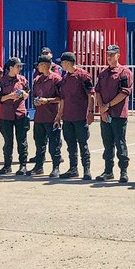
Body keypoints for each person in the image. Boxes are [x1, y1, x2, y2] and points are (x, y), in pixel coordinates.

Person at [94, 44, 132, 183]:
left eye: (112, 54)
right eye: (108, 54)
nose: (109, 57)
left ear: (118, 55)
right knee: (107, 144)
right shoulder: (103, 73)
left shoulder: (124, 72)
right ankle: (108, 171)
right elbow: (97, 91)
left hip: (118, 114)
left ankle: (123, 171)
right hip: (105, 115)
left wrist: (108, 106)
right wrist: (101, 108)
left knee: (120, 143)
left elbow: (124, 92)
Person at [56, 51, 94, 181]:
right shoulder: (65, 78)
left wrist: (90, 112)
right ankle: (73, 169)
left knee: (82, 143)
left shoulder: (83, 76)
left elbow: (91, 94)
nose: (61, 65)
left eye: (62, 62)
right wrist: (59, 115)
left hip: (80, 116)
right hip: (68, 117)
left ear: (68, 63)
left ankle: (87, 170)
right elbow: (63, 99)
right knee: (70, 144)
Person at [0, 57, 30, 176]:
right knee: (8, 141)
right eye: (17, 66)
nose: (19, 68)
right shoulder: (1, 81)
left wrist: (24, 94)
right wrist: (9, 96)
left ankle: (23, 165)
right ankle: (7, 165)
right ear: (10, 68)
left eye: (20, 66)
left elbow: (28, 93)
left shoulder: (22, 80)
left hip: (20, 114)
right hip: (7, 115)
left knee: (22, 141)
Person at [31, 54, 63, 177]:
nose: (38, 67)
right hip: (39, 117)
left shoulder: (56, 79)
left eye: (39, 65)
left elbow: (61, 98)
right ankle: (39, 166)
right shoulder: (37, 80)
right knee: (39, 143)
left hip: (52, 116)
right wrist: (36, 101)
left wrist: (47, 100)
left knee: (54, 144)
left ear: (44, 65)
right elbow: (34, 95)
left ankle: (56, 167)